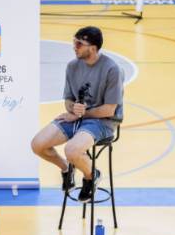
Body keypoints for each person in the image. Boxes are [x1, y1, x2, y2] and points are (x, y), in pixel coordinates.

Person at [31, 26, 123, 202]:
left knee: (71, 150)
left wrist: (81, 114)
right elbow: (68, 100)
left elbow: (109, 110)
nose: (74, 47)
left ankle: (91, 176)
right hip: (78, 117)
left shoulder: (112, 69)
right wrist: (73, 109)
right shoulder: (72, 66)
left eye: (79, 44)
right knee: (37, 144)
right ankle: (67, 168)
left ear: (93, 48)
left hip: (103, 122)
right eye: (74, 42)